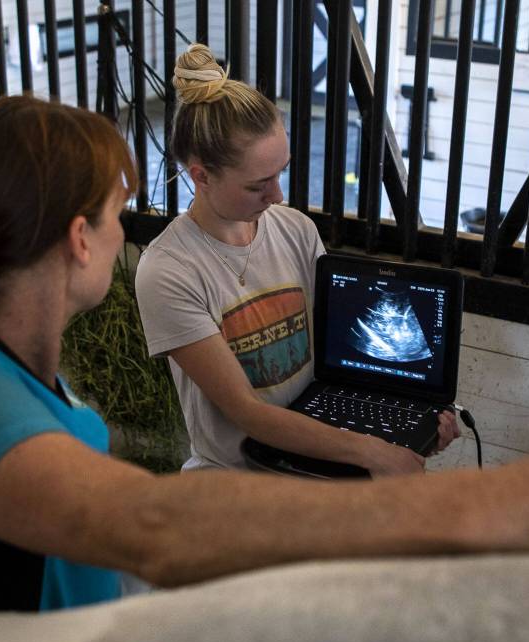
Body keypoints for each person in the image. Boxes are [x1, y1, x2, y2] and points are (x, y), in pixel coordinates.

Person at [0, 95, 529, 613]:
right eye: (120, 215)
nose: (130, 235)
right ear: (80, 239)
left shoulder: (2, 351)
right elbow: (149, 525)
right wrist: (522, 497)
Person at [134, 44, 457, 477]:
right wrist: (370, 451)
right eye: (258, 185)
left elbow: (335, 359)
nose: (278, 196)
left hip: (321, 452)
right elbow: (247, 413)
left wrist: (405, 422)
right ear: (201, 175)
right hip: (237, 475)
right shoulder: (169, 271)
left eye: (281, 172)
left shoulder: (295, 229)